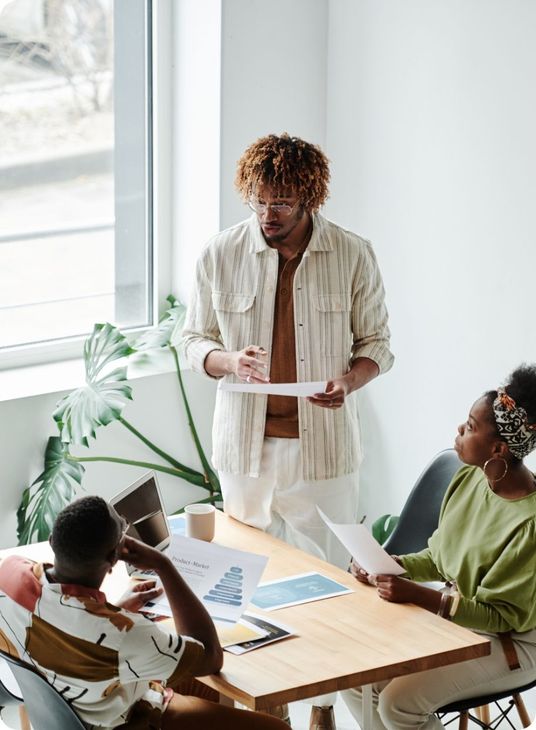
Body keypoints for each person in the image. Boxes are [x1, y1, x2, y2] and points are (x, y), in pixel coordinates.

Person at [182, 133, 394, 569]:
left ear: (309, 198)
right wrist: (230, 361)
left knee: (333, 571)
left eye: (280, 202)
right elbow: (191, 339)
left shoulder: (353, 254)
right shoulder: (219, 253)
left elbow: (377, 343)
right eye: (257, 202)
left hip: (323, 449)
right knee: (246, 571)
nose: (266, 214)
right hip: (244, 447)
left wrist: (350, 382)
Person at [343, 363, 536, 730]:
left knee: (399, 705)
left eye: (471, 426)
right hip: (457, 623)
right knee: (356, 677)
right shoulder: (469, 478)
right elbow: (440, 557)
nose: (460, 430)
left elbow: (501, 617)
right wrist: (389, 564)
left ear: (498, 447)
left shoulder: (530, 523)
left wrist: (417, 596)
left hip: (512, 643)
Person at [0, 496, 289, 730]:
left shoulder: (8, 573)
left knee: (203, 690)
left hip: (63, 709)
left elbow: (60, 617)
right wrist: (164, 566)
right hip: (127, 719)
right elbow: (211, 658)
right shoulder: (126, 636)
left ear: (52, 541)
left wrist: (112, 611)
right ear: (114, 557)